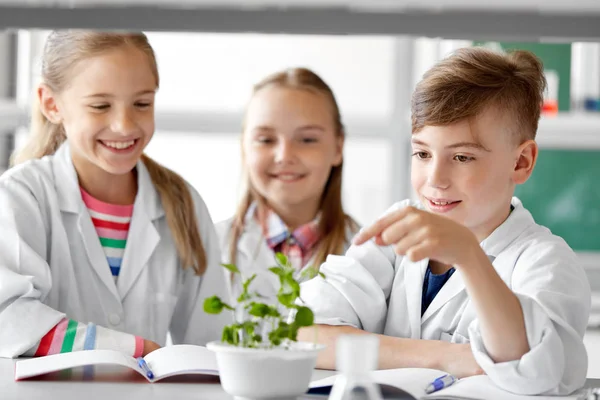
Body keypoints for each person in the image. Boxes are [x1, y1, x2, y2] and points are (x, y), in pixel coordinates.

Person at [298, 48, 591, 396]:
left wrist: (468, 254)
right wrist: (447, 357)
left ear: (521, 162)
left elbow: (531, 370)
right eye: (422, 153)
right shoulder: (397, 231)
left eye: (462, 157)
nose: (435, 179)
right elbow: (306, 332)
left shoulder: (546, 263)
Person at [0, 30, 229, 359]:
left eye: (142, 103)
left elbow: (211, 343)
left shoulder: (183, 204)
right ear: (52, 104)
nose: (124, 125)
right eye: (100, 106)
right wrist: (133, 348)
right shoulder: (23, 197)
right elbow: (8, 320)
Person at [216, 67, 359, 298]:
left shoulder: (368, 256)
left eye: (307, 139)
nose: (284, 155)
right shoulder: (207, 249)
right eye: (266, 139)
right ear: (244, 146)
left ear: (338, 147)